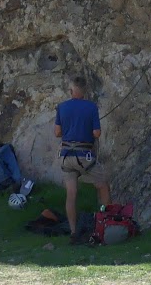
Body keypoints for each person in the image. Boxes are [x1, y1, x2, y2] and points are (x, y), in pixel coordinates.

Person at [54, 76, 112, 244]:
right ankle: (105, 224)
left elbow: (57, 132)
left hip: (66, 156)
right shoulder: (91, 107)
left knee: (71, 194)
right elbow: (97, 134)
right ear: (84, 91)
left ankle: (73, 232)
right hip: (84, 156)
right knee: (103, 185)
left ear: (71, 90)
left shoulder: (62, 107)